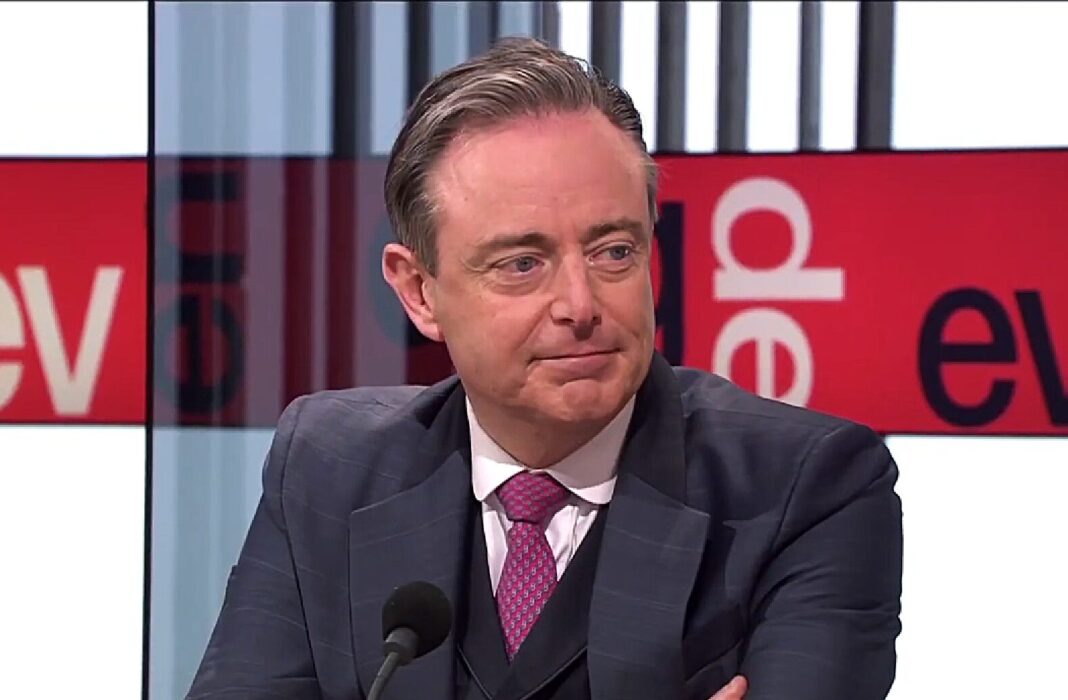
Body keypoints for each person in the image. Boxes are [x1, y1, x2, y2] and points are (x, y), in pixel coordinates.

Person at [187, 38, 902, 700]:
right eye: (522, 264)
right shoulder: (328, 468)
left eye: (614, 252)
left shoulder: (807, 489)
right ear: (419, 292)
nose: (580, 305)